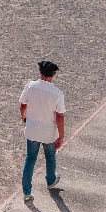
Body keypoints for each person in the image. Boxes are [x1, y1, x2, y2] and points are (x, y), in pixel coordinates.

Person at [19, 59, 66, 201]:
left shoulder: (30, 86)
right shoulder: (57, 93)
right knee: (50, 156)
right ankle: (51, 180)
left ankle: (27, 191)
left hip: (32, 129)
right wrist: (61, 137)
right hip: (48, 132)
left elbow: (23, 104)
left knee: (30, 158)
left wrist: (24, 118)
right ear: (53, 75)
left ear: (40, 73)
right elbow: (60, 117)